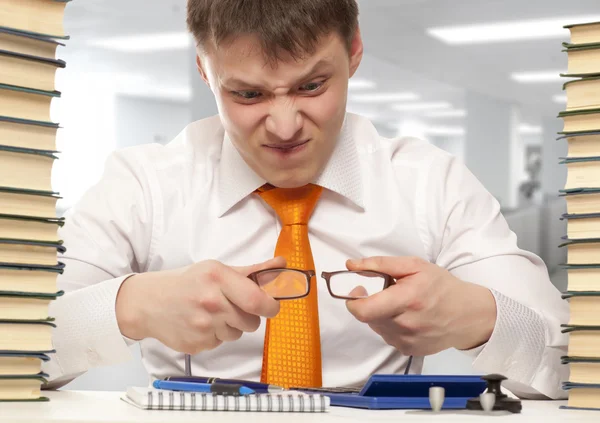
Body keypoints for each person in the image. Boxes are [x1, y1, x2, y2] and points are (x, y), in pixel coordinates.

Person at [43, 0, 569, 399]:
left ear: (354, 51)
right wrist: (127, 307)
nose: (285, 126)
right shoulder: (141, 184)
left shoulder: (433, 182)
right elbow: (17, 355)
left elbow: (572, 368)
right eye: (248, 94)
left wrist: (481, 318)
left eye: (312, 86)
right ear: (205, 70)